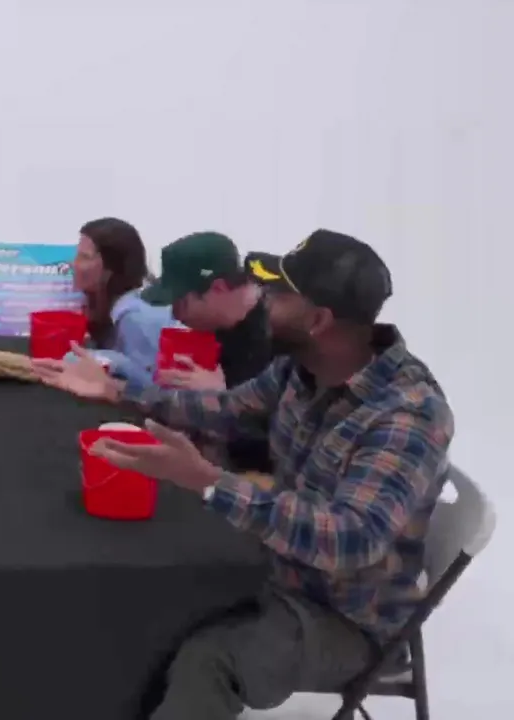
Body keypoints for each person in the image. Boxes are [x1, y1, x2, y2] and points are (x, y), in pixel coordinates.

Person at [33, 230, 453, 720]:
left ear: (318, 320)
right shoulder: (302, 368)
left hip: (347, 617)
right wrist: (118, 392)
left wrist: (209, 481)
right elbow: (227, 408)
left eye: (280, 294)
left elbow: (350, 539)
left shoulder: (406, 415)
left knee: (210, 661)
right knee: (142, 593)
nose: (263, 300)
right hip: (274, 568)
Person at [138, 231, 277, 471]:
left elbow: (283, 448)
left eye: (182, 304)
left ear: (219, 288)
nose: (175, 315)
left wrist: (222, 399)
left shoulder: (280, 336)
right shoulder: (218, 326)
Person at [72, 217, 178, 383]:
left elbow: (154, 385)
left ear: (111, 269)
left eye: (84, 257)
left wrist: (108, 360)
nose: (74, 264)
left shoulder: (135, 318)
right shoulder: (110, 302)